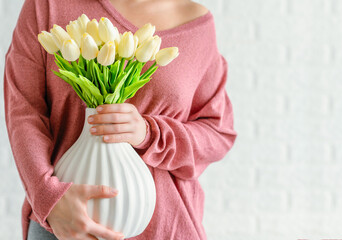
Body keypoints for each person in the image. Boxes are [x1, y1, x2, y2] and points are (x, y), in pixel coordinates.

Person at [3, 0, 238, 239]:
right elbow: (24, 109)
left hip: (164, 227)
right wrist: (49, 199)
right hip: (64, 224)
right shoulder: (48, 5)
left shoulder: (196, 25)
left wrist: (150, 133)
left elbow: (217, 132)